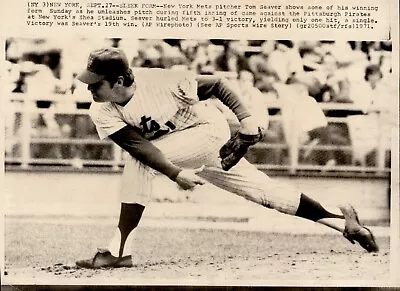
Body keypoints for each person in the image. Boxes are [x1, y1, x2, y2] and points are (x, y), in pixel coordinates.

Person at [75, 47, 378, 269]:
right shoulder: (101, 109)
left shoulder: (162, 81)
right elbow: (137, 145)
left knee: (139, 164)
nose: (89, 87)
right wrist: (174, 172)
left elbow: (216, 84)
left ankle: (119, 251)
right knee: (265, 193)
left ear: (117, 81)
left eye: (95, 82)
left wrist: (244, 118)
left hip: (207, 130)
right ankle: (342, 221)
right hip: (183, 147)